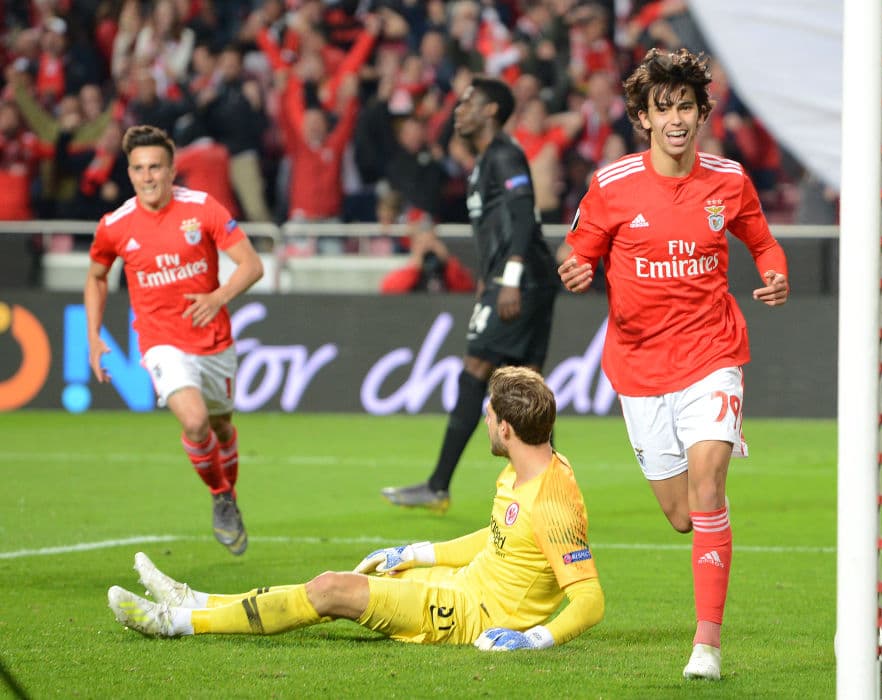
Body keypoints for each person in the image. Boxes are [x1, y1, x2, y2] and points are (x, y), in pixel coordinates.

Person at [557, 48, 790, 681]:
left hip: (713, 354)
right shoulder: (610, 187)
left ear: (701, 112)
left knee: (710, 486)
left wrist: (773, 273)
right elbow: (575, 251)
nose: (676, 119)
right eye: (663, 109)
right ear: (642, 118)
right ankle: (706, 523)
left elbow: (763, 242)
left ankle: (706, 647)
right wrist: (575, 269)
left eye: (685, 106)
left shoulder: (729, 180)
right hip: (638, 366)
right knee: (684, 515)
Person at [107, 367, 605, 650]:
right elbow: (499, 537)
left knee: (330, 590)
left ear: (507, 431)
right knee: (339, 585)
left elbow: (589, 600)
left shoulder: (553, 500)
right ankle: (194, 600)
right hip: (458, 587)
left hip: (471, 616)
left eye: (489, 417)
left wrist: (535, 639)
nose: (485, 423)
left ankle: (172, 623)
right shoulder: (527, 469)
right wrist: (418, 551)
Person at [381, 76, 561, 512]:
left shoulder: (504, 155)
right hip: (516, 278)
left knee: (479, 364)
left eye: (467, 103)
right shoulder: (484, 162)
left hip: (521, 278)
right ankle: (552, 492)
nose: (458, 110)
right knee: (530, 383)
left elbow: (522, 217)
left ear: (491, 112)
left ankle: (439, 484)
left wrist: (510, 276)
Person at [84, 125, 264, 556]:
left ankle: (228, 496)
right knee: (196, 421)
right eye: (139, 169)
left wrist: (218, 296)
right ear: (129, 173)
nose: (148, 177)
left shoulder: (202, 208)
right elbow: (96, 277)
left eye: (156, 168)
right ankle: (220, 495)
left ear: (172, 170)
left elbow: (251, 265)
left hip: (214, 339)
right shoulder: (115, 225)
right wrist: (93, 336)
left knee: (222, 426)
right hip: (160, 342)